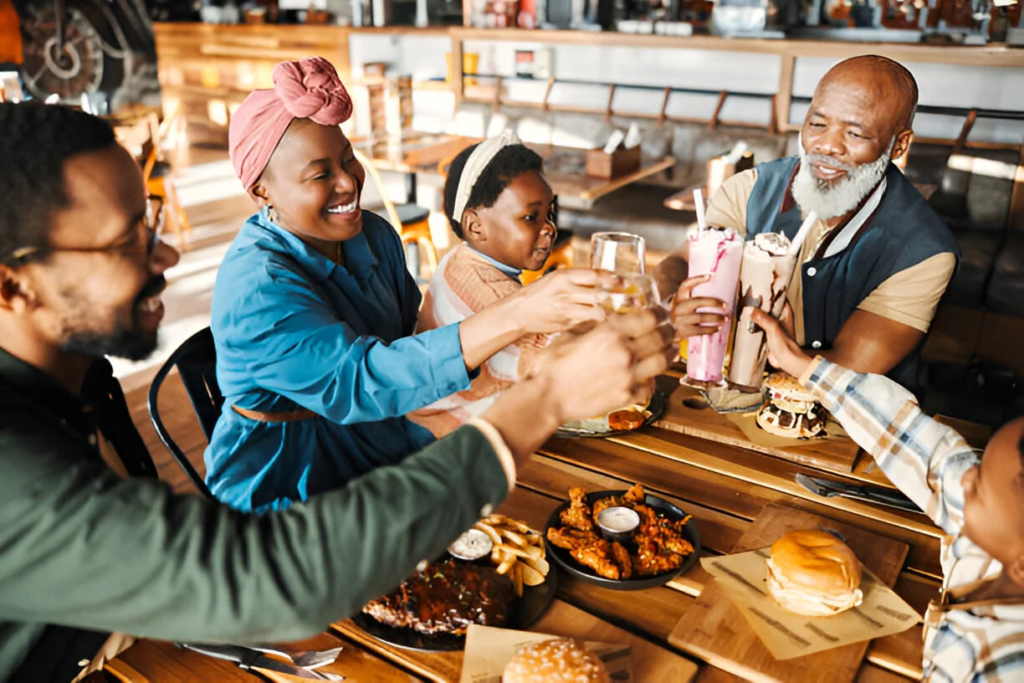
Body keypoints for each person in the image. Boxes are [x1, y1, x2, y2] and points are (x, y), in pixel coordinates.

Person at [0, 101, 674, 682]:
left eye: (152, 222)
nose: (169, 256)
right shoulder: (16, 472)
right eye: (127, 242)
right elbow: (266, 571)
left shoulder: (70, 386)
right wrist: (543, 395)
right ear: (12, 285)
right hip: (284, 516)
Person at [208, 57, 610, 512]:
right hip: (289, 483)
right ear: (262, 190)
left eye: (347, 160)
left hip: (381, 440)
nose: (348, 183)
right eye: (321, 175)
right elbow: (362, 381)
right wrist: (515, 314)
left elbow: (409, 344)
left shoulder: (374, 236)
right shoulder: (256, 289)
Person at [753, 306, 1024, 682]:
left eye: (980, 486)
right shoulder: (1002, 536)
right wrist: (806, 368)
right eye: (978, 466)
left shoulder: (999, 665)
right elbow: (924, 447)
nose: (964, 479)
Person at [656, 55, 959, 391]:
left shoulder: (923, 250)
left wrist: (786, 354)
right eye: (817, 125)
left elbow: (853, 370)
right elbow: (680, 263)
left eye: (855, 133)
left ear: (899, 144)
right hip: (725, 395)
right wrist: (673, 303)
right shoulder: (750, 189)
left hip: (839, 424)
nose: (827, 145)